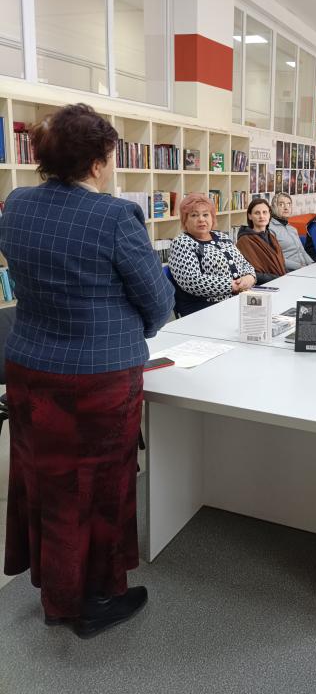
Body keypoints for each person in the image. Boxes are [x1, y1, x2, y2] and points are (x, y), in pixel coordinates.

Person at [0, 103, 174, 638]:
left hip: (28, 369)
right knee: (100, 487)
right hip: (98, 380)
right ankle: (93, 600)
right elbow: (158, 303)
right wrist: (132, 326)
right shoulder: (115, 216)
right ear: (98, 162)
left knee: (46, 480)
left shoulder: (17, 202)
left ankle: (56, 589)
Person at [168, 193, 256, 317]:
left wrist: (250, 277)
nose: (201, 219)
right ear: (185, 220)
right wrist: (232, 285)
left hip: (236, 301)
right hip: (205, 308)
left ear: (212, 218)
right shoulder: (181, 243)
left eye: (205, 214)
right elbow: (192, 281)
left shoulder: (222, 236)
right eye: (194, 215)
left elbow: (243, 263)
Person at [236, 198, 287, 284]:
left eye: (265, 212)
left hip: (281, 282)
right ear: (250, 216)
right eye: (257, 213)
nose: (261, 216)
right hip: (263, 286)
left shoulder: (272, 237)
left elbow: (282, 265)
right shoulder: (244, 241)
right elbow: (251, 274)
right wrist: (279, 279)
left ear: (269, 215)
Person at [269, 192, 313, 271]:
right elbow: (275, 257)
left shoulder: (292, 229)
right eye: (281, 204)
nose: (286, 208)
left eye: (289, 204)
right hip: (288, 271)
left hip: (303, 269)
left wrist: (312, 264)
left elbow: (302, 251)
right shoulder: (270, 229)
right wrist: (300, 267)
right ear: (274, 207)